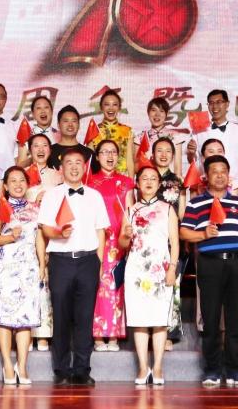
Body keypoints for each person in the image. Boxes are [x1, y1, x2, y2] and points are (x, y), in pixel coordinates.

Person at [180, 155, 238, 387]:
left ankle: (235, 370)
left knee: (235, 320)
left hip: (237, 264)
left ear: (228, 175)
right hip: (209, 264)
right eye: (215, 171)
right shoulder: (196, 203)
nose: (220, 175)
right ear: (206, 176)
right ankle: (212, 370)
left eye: (224, 171)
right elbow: (184, 232)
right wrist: (203, 234)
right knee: (210, 319)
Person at [38, 148, 110, 386]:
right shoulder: (52, 195)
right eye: (69, 163)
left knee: (84, 317)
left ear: (85, 167)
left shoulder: (95, 196)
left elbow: (101, 231)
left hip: (88, 261)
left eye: (78, 162)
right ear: (61, 168)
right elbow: (44, 228)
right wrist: (58, 234)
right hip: (60, 261)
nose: (74, 167)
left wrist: (99, 262)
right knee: (61, 316)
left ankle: (82, 370)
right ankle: (61, 369)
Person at [119, 166, 180, 385]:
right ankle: (143, 367)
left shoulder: (168, 209)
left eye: (153, 178)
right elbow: (122, 244)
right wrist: (126, 235)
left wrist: (172, 268)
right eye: (144, 178)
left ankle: (158, 367)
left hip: (160, 269)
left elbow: (175, 242)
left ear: (159, 184)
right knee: (140, 320)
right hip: (136, 270)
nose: (148, 182)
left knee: (159, 320)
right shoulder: (130, 209)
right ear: (137, 183)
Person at [0, 166, 46, 385]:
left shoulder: (35, 209)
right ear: (5, 185)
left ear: (28, 184)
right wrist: (10, 237)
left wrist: (42, 265)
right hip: (6, 267)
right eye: (12, 181)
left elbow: (39, 238)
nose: (18, 185)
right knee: (4, 319)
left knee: (25, 319)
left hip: (29, 267)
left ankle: (22, 366)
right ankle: (7, 364)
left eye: (22, 180)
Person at [88, 139, 134, 351]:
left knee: (116, 286)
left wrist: (127, 234)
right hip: (96, 239)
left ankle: (114, 335)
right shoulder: (89, 181)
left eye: (113, 152)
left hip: (119, 241)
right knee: (97, 286)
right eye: (104, 152)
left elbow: (129, 211)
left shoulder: (126, 182)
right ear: (97, 157)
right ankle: (98, 335)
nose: (109, 156)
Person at [24, 133, 61, 351]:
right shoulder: (21, 174)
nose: (40, 149)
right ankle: (27, 332)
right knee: (29, 283)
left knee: (46, 283)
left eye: (44, 145)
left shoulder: (58, 176)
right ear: (29, 150)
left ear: (50, 150)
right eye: (35, 145)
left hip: (50, 234)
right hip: (27, 234)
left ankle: (44, 334)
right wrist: (34, 203)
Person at [152, 136, 185, 349]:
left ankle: (169, 334)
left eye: (168, 151)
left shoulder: (178, 181)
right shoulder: (145, 176)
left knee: (172, 287)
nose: (163, 155)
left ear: (173, 155)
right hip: (149, 239)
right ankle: (151, 329)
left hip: (171, 239)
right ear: (152, 154)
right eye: (159, 150)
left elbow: (182, 212)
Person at [187, 90, 238, 193]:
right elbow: (193, 163)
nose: (215, 106)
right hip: (206, 188)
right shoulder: (198, 130)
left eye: (219, 102)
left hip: (233, 189)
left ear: (227, 104)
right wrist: (190, 153)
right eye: (211, 103)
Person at [136, 96, 186, 177]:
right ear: (148, 112)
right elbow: (136, 166)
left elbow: (177, 167)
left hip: (169, 182)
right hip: (148, 181)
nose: (157, 114)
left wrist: (177, 182)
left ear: (167, 114)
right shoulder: (139, 138)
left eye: (161, 111)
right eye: (153, 110)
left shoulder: (175, 136)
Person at [90, 89, 134, 176]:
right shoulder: (94, 130)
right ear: (101, 107)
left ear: (119, 108)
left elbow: (129, 161)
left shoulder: (127, 131)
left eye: (115, 104)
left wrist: (131, 182)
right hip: (99, 179)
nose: (111, 108)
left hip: (122, 179)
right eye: (107, 104)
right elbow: (90, 162)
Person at [16, 96, 58, 167]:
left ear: (51, 112)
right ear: (33, 114)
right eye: (38, 108)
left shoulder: (59, 135)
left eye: (46, 107)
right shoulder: (26, 135)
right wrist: (35, 157)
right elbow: (20, 165)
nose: (43, 111)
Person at [49, 105, 94, 169]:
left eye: (74, 121)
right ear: (58, 125)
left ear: (79, 125)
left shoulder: (89, 154)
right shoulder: (49, 152)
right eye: (66, 121)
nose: (70, 124)